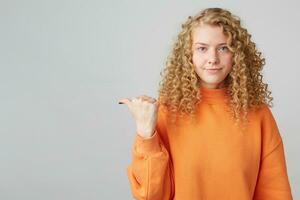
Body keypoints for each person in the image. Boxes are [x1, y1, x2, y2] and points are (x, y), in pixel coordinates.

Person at [119, 7, 293, 200]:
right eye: (202, 48)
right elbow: (151, 195)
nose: (213, 59)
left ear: (237, 55)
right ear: (188, 56)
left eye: (223, 48)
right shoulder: (166, 112)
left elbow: (275, 193)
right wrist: (146, 133)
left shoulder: (258, 114)